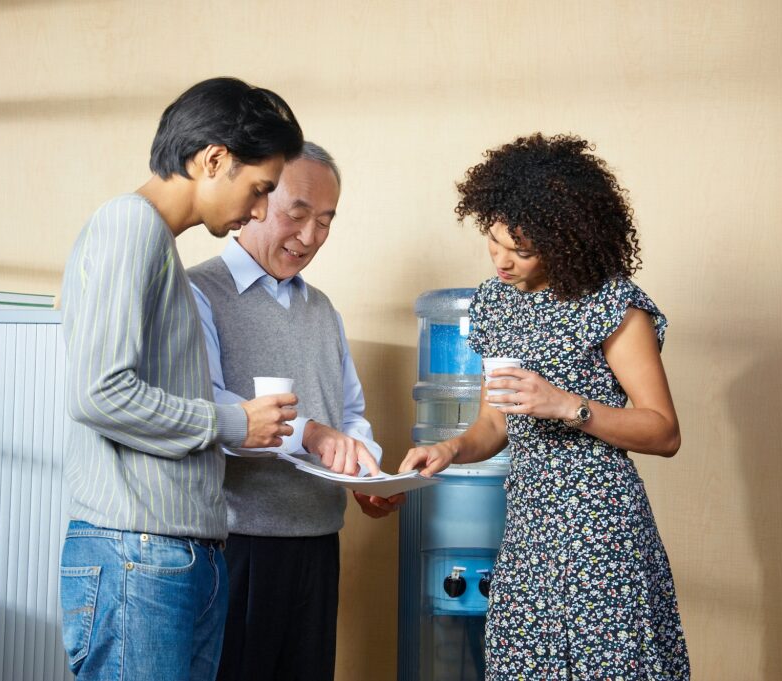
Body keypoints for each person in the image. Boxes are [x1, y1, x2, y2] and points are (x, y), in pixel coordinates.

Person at [400, 133, 690, 679]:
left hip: (600, 529)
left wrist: (564, 405)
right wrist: (449, 449)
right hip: (528, 531)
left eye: (523, 249)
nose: (503, 260)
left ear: (568, 239)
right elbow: (493, 423)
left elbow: (664, 431)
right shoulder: (494, 302)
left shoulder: (613, 306)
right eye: (494, 241)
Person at [59, 77, 305, 681]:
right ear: (213, 159)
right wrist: (232, 422)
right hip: (139, 552)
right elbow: (99, 393)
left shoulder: (159, 245)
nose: (256, 211)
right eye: (259, 190)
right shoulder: (129, 225)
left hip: (176, 551)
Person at [187, 141, 403, 681]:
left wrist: (366, 468)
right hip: (235, 547)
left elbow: (349, 410)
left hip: (317, 542)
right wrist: (312, 434)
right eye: (297, 214)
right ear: (257, 202)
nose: (310, 237)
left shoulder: (322, 309)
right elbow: (205, 405)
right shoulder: (196, 292)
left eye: (326, 222)